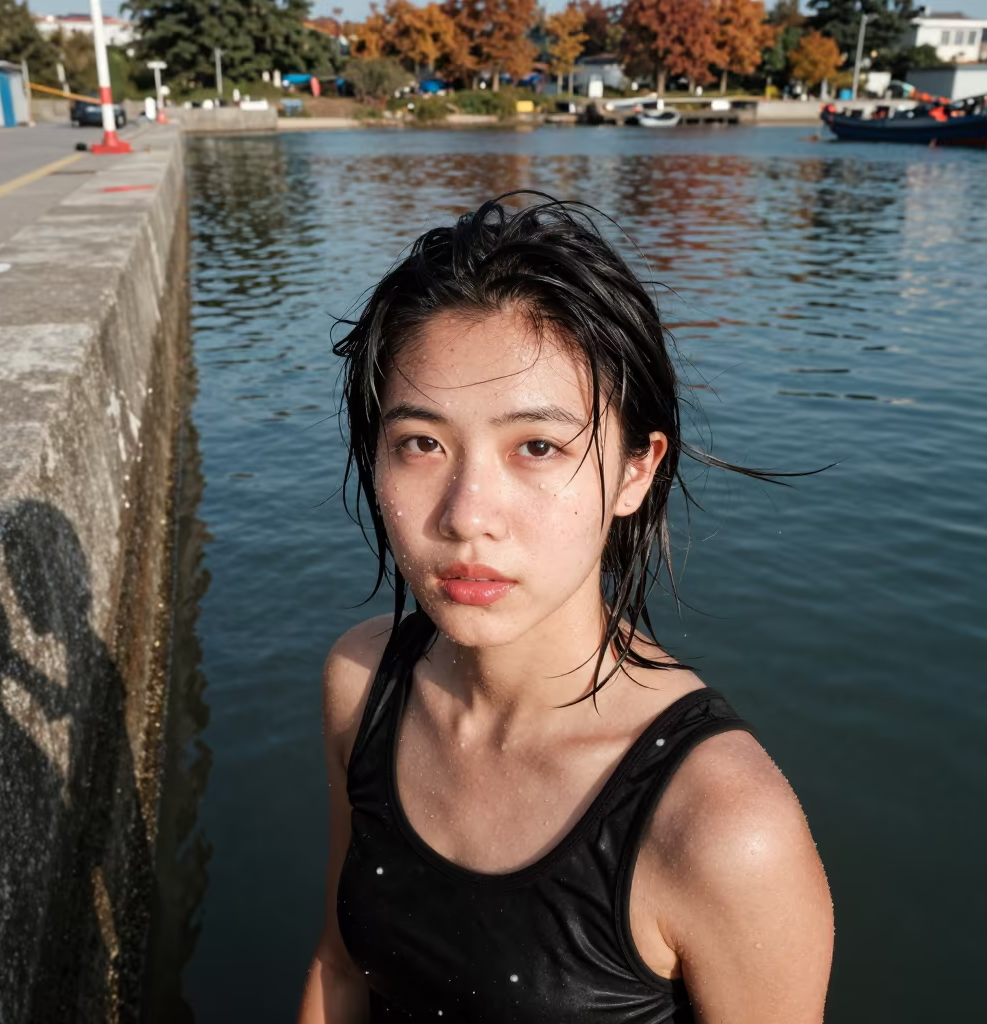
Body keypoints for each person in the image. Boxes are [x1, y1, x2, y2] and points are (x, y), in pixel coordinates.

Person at [299, 195, 834, 1023]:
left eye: (538, 447)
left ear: (635, 470)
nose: (467, 514)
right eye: (421, 443)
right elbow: (338, 969)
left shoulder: (723, 828)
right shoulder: (362, 686)